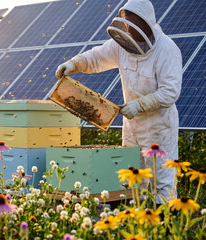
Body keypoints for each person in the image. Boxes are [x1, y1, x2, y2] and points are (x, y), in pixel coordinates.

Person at [56, 0, 182, 204]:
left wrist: (140, 105)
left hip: (159, 127)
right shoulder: (122, 44)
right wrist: (74, 63)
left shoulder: (167, 49)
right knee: (132, 176)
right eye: (126, 25)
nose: (129, 31)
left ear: (146, 23)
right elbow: (95, 58)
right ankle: (138, 225)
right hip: (131, 125)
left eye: (133, 26)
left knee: (162, 180)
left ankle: (164, 227)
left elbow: (170, 92)